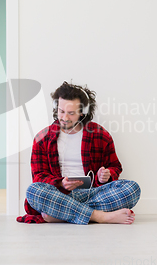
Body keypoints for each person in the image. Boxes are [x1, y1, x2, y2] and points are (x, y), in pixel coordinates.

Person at [16, 81, 141, 225]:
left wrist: (105, 176)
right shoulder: (42, 138)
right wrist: (61, 184)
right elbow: (39, 177)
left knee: (132, 189)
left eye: (71, 113)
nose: (65, 118)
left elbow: (115, 166)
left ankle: (60, 215)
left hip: (92, 193)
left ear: (82, 112)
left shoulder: (100, 134)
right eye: (61, 111)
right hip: (59, 194)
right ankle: (100, 216)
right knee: (33, 191)